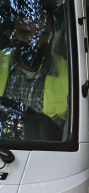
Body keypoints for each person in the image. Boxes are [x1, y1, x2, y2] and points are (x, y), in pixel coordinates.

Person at [0, 0, 69, 129]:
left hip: (50, 148)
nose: (33, 41)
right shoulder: (0, 64)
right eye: (25, 33)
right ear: (11, 35)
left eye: (41, 34)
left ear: (51, 36)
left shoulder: (72, 74)